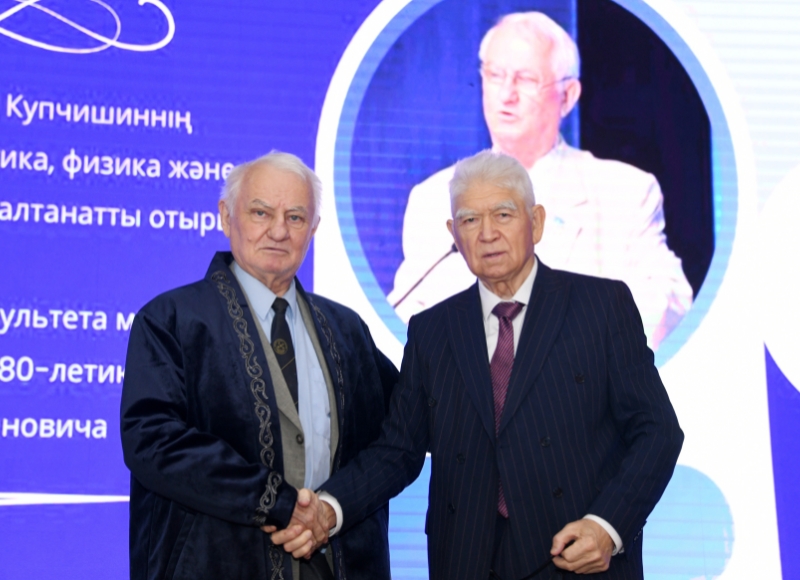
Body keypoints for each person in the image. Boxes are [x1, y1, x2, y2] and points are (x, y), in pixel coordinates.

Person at [274, 150, 684, 579]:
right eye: (469, 220)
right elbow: (399, 449)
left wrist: (608, 526)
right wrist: (329, 508)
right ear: (453, 234)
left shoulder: (600, 307)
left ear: (536, 222)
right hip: (467, 561)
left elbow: (657, 431)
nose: (487, 234)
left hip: (577, 557)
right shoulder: (432, 330)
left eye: (503, 215)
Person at [120, 151, 398, 580]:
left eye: (295, 217)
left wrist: (332, 509)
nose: (278, 231)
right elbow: (153, 442)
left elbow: (400, 438)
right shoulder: (170, 320)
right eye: (261, 212)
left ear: (314, 229)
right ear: (225, 216)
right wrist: (278, 503)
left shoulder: (347, 330)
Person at [388, 11, 693, 350]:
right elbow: (406, 319)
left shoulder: (623, 192)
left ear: (568, 96)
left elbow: (670, 303)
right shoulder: (433, 199)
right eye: (495, 75)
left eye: (526, 80)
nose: (506, 94)